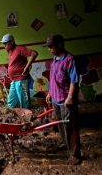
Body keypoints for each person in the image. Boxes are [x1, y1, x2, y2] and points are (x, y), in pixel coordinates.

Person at [44, 34, 81, 165]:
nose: (49, 49)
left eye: (51, 47)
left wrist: (70, 97)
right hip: (55, 98)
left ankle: (75, 154)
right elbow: (53, 78)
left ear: (59, 45)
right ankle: (67, 146)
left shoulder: (70, 60)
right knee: (60, 125)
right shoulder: (54, 59)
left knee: (70, 127)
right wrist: (49, 92)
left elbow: (74, 80)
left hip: (66, 100)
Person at [0, 34, 38, 108]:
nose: (4, 46)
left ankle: (27, 117)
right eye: (3, 44)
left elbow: (34, 53)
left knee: (24, 102)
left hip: (21, 79)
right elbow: (15, 63)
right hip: (14, 80)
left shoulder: (20, 49)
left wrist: (26, 68)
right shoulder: (10, 51)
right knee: (10, 102)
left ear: (12, 42)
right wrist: (9, 70)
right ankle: (8, 115)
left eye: (5, 43)